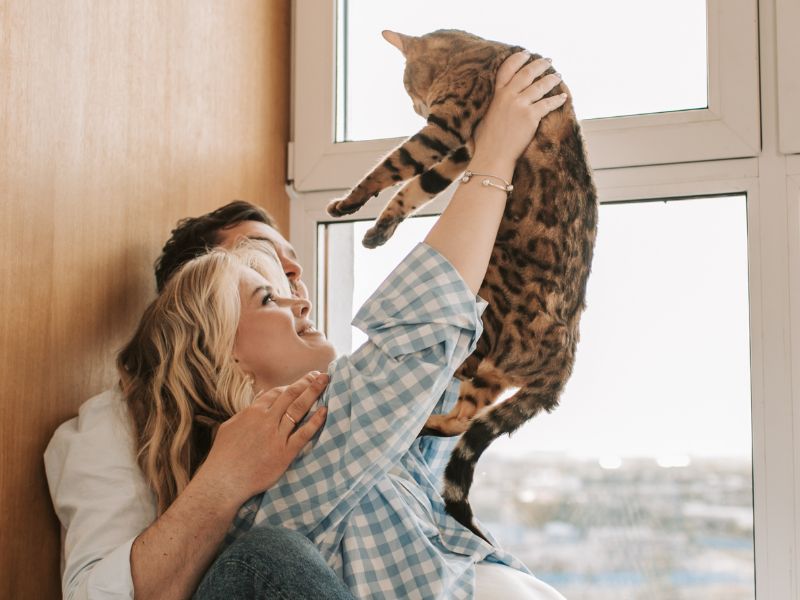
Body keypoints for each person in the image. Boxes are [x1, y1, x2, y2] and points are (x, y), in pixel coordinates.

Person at [115, 52, 568, 599]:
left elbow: (443, 339)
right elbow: (419, 326)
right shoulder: (298, 453)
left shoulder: (350, 438)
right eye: (266, 296)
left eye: (289, 280)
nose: (298, 300)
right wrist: (494, 156)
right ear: (226, 354)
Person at [44, 201, 355, 599]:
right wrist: (226, 479)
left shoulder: (328, 407)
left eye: (290, 263)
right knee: (267, 555)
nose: (290, 273)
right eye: (257, 256)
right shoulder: (116, 425)